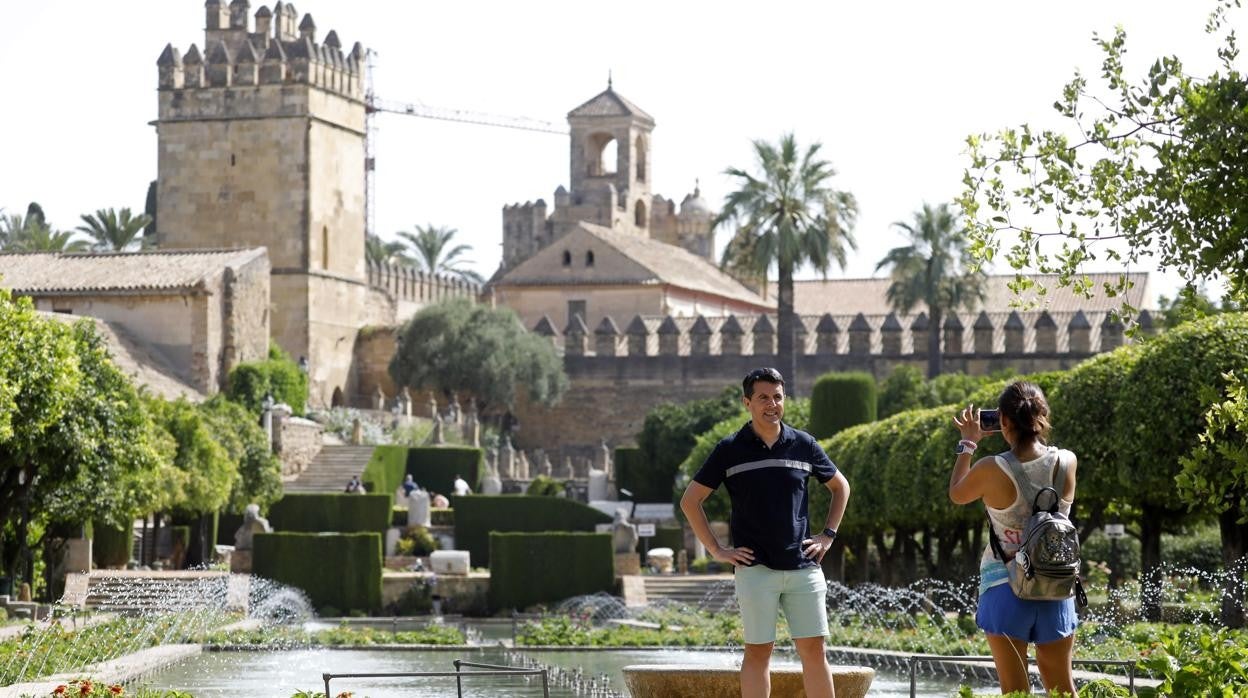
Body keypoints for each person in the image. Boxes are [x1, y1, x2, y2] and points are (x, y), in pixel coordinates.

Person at [680, 367, 851, 698]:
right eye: (763, 398)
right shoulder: (729, 449)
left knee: (815, 652)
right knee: (758, 654)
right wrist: (716, 550)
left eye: (778, 397)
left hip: (803, 567)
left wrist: (827, 535)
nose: (772, 404)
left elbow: (840, 487)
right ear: (747, 402)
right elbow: (691, 501)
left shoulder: (803, 444)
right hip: (755, 569)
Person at [949, 380, 1079, 696]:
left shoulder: (991, 468)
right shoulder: (1067, 460)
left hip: (1003, 585)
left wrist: (968, 443)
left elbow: (957, 493)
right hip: (1055, 585)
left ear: (1004, 421)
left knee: (1015, 690)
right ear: (1042, 415)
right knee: (1063, 688)